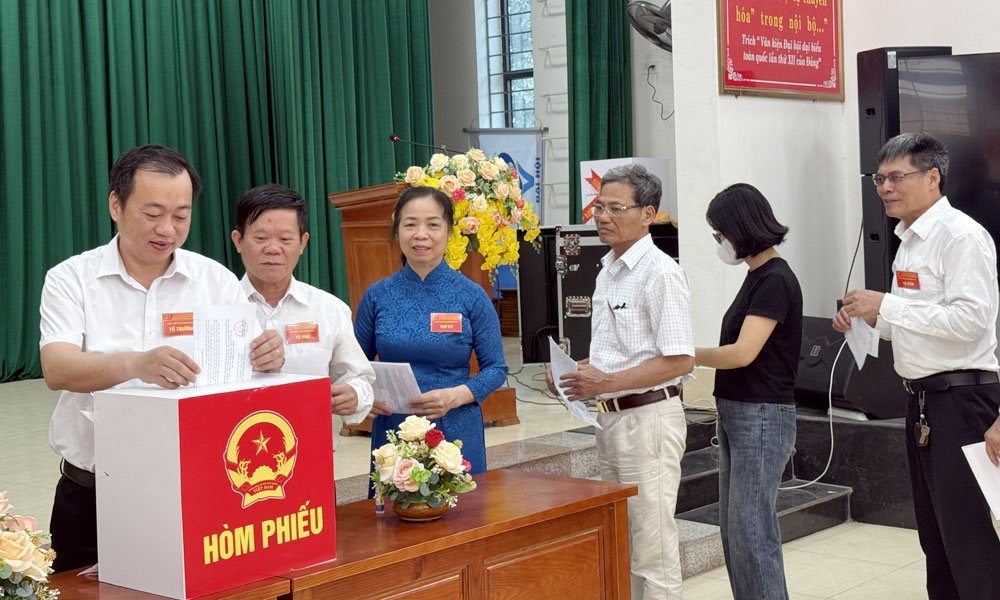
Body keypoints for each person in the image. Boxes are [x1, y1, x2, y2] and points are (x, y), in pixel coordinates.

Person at [39, 145, 285, 572]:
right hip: (92, 494)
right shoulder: (71, 279)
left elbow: (242, 376)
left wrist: (267, 356)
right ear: (116, 205)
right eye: (152, 213)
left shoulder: (214, 281)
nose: (167, 229)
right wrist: (137, 364)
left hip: (195, 489)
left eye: (181, 215)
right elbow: (57, 368)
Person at [835, 133, 1000, 599]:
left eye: (895, 177)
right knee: (935, 537)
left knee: (968, 537)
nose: (885, 188)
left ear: (933, 177)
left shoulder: (961, 237)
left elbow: (971, 323)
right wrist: (868, 320)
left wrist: (886, 306)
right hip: (924, 402)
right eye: (878, 179)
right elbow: (922, 323)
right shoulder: (908, 240)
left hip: (963, 401)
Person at [547, 164, 693, 600]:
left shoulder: (661, 272)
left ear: (648, 213)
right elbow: (620, 352)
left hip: (648, 420)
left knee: (652, 547)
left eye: (616, 208)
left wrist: (606, 379)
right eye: (598, 206)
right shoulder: (607, 268)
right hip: (610, 421)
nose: (602, 216)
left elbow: (679, 359)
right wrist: (576, 373)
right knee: (622, 538)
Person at [354, 186, 507, 478]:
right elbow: (354, 365)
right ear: (397, 231)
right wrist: (363, 395)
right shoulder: (377, 296)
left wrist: (457, 396)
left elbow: (496, 368)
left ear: (449, 232)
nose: (420, 234)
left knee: (461, 517)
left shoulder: (471, 296)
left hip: (455, 428)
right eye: (410, 224)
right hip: (394, 429)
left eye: (433, 224)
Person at [694, 184, 801, 600]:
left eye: (720, 234)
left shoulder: (775, 279)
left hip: (761, 415)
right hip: (740, 412)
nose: (719, 243)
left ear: (741, 228)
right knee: (736, 534)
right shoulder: (757, 275)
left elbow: (742, 353)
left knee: (753, 536)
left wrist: (686, 356)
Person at [231, 184, 375, 433]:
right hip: (231, 450)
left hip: (311, 448)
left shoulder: (329, 309)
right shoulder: (218, 307)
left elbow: (360, 378)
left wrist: (354, 394)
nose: (273, 249)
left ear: (302, 243)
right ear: (238, 240)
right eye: (261, 238)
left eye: (285, 239)